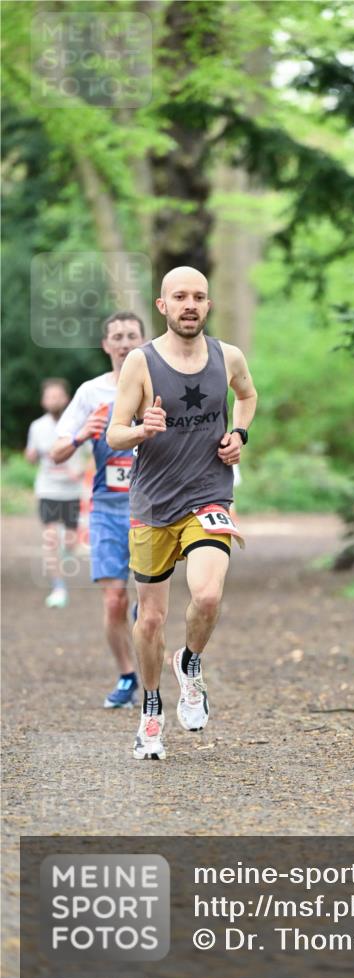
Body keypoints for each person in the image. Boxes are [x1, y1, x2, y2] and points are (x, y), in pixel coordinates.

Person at [107, 266, 257, 761]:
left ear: (208, 305)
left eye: (198, 297)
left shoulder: (227, 356)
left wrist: (240, 435)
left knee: (209, 595)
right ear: (162, 306)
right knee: (150, 618)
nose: (190, 304)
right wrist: (142, 430)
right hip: (152, 504)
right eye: (180, 297)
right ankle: (151, 709)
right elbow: (114, 434)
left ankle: (190, 664)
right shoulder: (141, 363)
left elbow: (248, 395)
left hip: (208, 495)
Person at [51, 312, 146, 707]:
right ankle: (127, 676)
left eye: (132, 336)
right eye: (117, 337)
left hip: (151, 506)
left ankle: (153, 665)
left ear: (143, 341)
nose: (124, 343)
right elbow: (57, 452)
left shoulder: (160, 384)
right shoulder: (91, 393)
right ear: (106, 345)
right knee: (114, 602)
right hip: (108, 508)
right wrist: (81, 435)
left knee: (148, 605)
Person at [26, 378, 85, 609]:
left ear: (66, 399)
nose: (53, 400)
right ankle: (59, 587)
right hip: (48, 490)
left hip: (72, 492)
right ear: (43, 401)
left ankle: (67, 551)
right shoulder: (37, 426)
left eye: (57, 396)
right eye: (49, 396)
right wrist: (30, 456)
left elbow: (91, 455)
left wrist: (79, 471)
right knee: (50, 539)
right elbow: (31, 455)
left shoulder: (77, 424)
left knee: (70, 541)